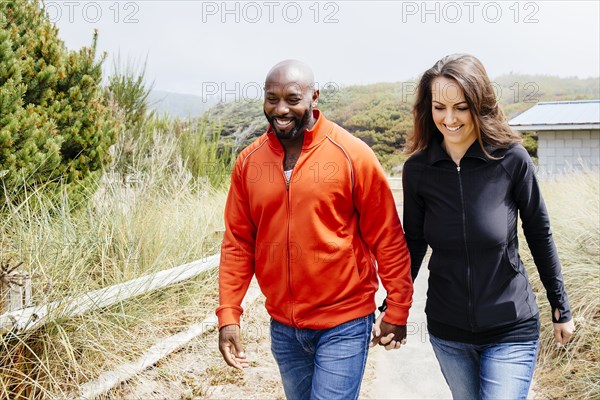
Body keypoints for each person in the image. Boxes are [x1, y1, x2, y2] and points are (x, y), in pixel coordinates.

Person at [374, 54, 575, 399]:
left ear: (479, 105)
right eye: (440, 107)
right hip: (448, 330)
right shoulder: (419, 170)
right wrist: (392, 309)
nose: (449, 119)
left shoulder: (511, 159)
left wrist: (561, 306)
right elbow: (415, 244)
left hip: (510, 324)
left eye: (461, 107)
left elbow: (539, 233)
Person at [216, 59, 413, 400]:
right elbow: (238, 243)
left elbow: (388, 238)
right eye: (271, 98)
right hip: (284, 329)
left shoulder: (353, 155)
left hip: (345, 323)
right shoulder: (249, 163)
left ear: (314, 97)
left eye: (292, 98)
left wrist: (397, 307)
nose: (281, 109)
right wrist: (228, 315)